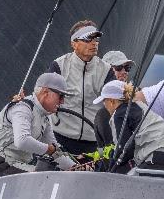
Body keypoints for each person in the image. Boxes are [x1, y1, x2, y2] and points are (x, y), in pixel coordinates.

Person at [0, 73, 76, 178]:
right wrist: (49, 149)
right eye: (60, 96)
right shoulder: (23, 108)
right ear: (45, 92)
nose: (62, 101)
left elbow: (55, 150)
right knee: (47, 177)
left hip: (16, 164)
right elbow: (22, 141)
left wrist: (76, 168)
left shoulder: (44, 117)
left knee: (51, 174)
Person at [47, 20, 114, 156]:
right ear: (74, 43)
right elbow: (44, 98)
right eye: (88, 39)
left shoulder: (106, 70)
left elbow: (114, 105)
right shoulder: (59, 66)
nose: (94, 43)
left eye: (96, 39)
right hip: (59, 138)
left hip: (93, 143)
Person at [93, 80, 164, 172]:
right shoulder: (139, 105)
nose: (104, 105)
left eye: (104, 101)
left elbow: (123, 150)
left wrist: (109, 169)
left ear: (111, 101)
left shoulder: (118, 115)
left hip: (158, 153)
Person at [94, 50, 136, 153]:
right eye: (118, 68)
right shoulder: (94, 99)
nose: (124, 72)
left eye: (127, 68)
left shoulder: (138, 97)